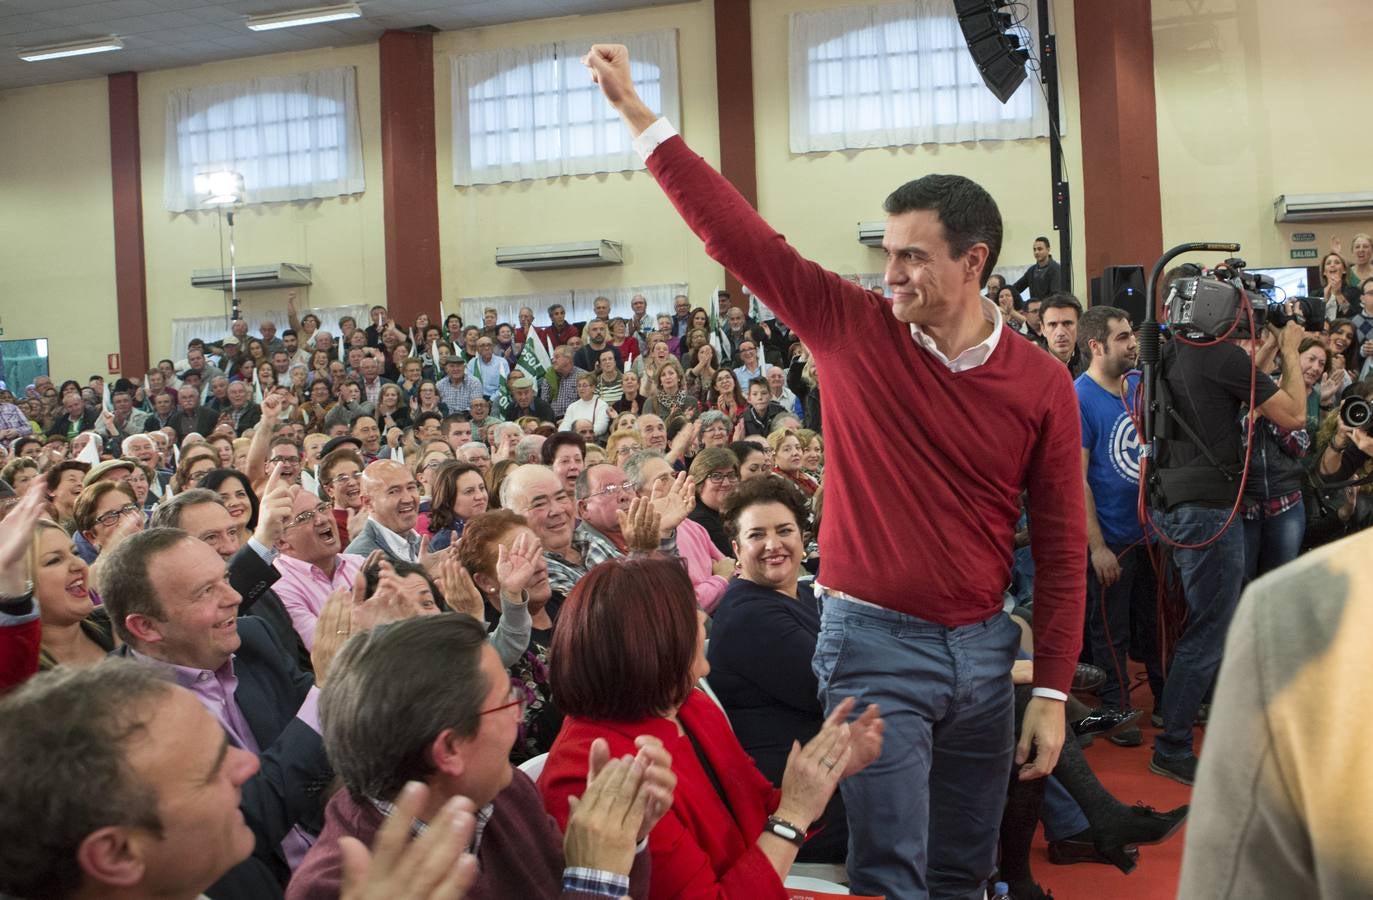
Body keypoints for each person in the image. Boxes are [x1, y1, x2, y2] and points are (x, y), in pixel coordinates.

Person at [581, 45, 1085, 898]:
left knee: (967, 869)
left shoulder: (1038, 381)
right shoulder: (850, 325)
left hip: (984, 647)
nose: (890, 274)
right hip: (872, 644)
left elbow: (1065, 547)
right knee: (890, 871)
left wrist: (1055, 692)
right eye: (887, 253)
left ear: (974, 261)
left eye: (912, 257)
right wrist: (636, 111)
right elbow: (735, 236)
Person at [540, 555, 883, 898]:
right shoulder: (595, 772)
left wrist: (825, 772)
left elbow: (758, 809)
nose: (703, 616)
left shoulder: (688, 705)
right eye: (687, 611)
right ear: (652, 643)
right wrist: (795, 813)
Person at [287, 613, 662, 900]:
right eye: (506, 703)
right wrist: (596, 881)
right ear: (450, 749)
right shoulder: (342, 887)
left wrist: (622, 838)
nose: (519, 716)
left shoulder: (503, 788)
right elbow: (586, 886)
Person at [100, 527, 342, 899]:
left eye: (225, 579)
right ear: (145, 626)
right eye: (205, 592)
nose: (234, 597)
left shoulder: (253, 638)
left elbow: (336, 741)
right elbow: (241, 820)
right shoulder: (120, 716)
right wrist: (327, 689)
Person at [1150, 294, 1307, 785]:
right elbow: (1295, 415)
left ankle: (1179, 719)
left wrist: (1266, 354)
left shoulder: (1172, 352)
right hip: (1209, 511)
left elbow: (1235, 384)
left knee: (1201, 621)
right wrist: (1292, 350)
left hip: (1174, 503)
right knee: (1210, 629)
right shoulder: (1222, 359)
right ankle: (1173, 746)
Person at [1177, 529, 1373, 898]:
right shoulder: (1297, 606)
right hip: (1210, 522)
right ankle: (1172, 742)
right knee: (1212, 630)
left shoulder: (1296, 605)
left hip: (1256, 527)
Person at [708, 475, 853, 862]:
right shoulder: (748, 615)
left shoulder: (804, 594)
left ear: (802, 538)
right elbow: (841, 689)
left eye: (784, 530)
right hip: (795, 806)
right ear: (737, 549)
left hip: (831, 775)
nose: (773, 544)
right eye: (757, 535)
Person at [1074, 306, 1163, 746]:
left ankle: (1166, 701)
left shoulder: (1141, 384)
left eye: (1132, 335)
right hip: (1113, 539)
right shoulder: (1079, 397)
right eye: (1123, 337)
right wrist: (1097, 547)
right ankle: (1113, 710)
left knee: (1157, 627)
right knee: (1110, 632)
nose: (1133, 344)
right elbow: (1078, 480)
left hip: (1154, 534)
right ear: (1096, 345)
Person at [345, 460, 422, 564]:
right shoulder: (360, 557)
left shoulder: (418, 541)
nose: (408, 499)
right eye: (394, 491)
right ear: (368, 502)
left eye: (411, 487)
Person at [686, 446, 739, 557]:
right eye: (716, 476)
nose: (726, 483)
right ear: (699, 481)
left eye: (731, 475)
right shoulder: (698, 519)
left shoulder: (735, 510)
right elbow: (734, 558)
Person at [426, 460, 489, 551]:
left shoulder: (492, 528)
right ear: (448, 498)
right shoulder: (443, 542)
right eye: (469, 491)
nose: (480, 496)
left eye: (482, 488)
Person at [1009, 236, 1064, 303]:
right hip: (1034, 308)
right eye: (1034, 249)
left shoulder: (1055, 269)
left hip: (1049, 308)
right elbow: (1016, 288)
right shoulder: (1031, 270)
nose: (1036, 252)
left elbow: (1055, 296)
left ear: (1048, 249)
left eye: (1040, 249)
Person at [768, 428, 819, 497]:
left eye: (798, 448)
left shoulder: (808, 478)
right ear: (774, 457)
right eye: (787, 449)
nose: (795, 453)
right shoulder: (775, 484)